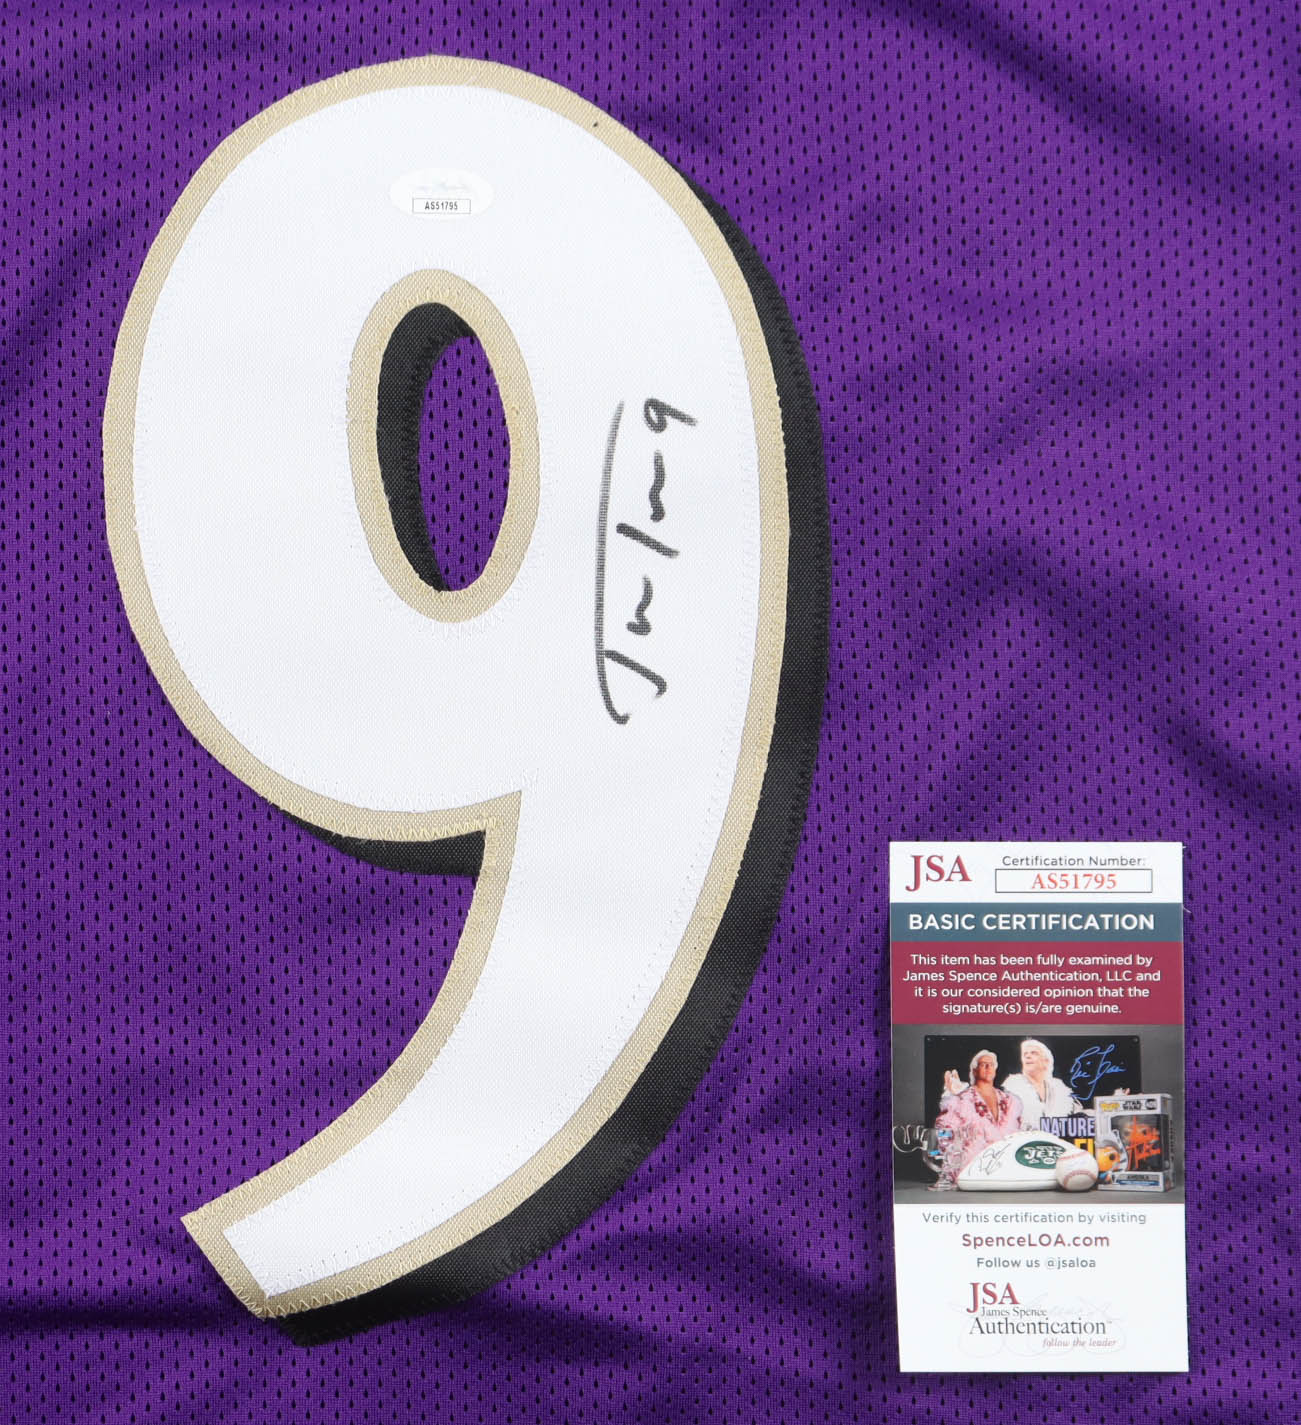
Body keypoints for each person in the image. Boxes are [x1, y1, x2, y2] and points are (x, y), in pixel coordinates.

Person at [934, 1050, 1022, 1185]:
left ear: (995, 1070)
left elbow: (1018, 1134)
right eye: (983, 1064)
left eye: (991, 1065)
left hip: (1004, 1171)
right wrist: (952, 1168)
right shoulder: (961, 1099)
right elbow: (945, 1134)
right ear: (974, 1071)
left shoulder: (1010, 1101)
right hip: (972, 1170)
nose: (988, 1067)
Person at [999, 1038, 1081, 1129]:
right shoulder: (1011, 1088)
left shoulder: (1061, 1091)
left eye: (1034, 1053)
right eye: (1025, 1054)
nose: (1028, 1056)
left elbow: (1078, 1116)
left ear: (1046, 1061)